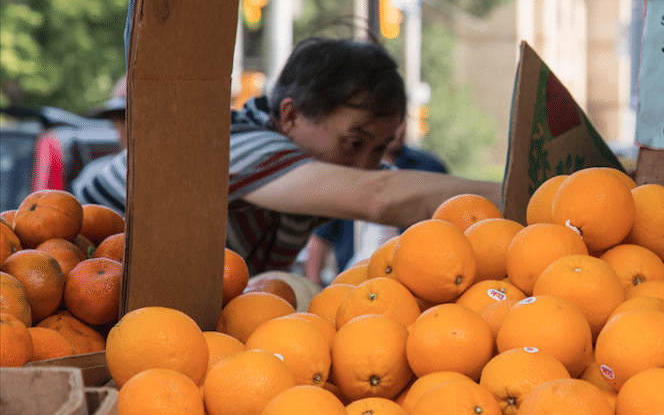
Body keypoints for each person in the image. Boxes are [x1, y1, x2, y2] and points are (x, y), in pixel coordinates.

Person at [72, 36, 501, 276]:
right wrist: (534, 191)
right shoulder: (230, 143)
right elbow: (379, 193)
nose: (365, 166)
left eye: (379, 149)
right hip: (73, 281)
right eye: (355, 143)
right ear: (290, 115)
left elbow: (393, 186)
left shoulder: (314, 164)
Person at [304, 117, 448, 282]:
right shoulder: (345, 168)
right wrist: (312, 288)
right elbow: (320, 238)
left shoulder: (430, 168)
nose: (398, 130)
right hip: (353, 280)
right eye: (391, 120)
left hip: (418, 278)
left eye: (402, 119)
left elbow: (447, 224)